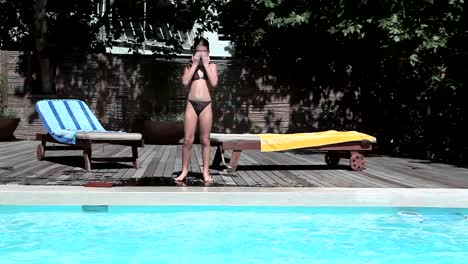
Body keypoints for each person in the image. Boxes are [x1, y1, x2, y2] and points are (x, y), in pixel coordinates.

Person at [174, 36, 218, 182]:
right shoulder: (189, 65)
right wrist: (194, 64)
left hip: (206, 105)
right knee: (187, 140)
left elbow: (214, 82)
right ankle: (184, 171)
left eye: (203, 52)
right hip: (191, 104)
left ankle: (206, 172)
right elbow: (185, 82)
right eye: (198, 51)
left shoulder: (212, 66)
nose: (200, 54)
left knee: (205, 140)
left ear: (208, 52)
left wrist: (205, 64)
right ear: (193, 52)